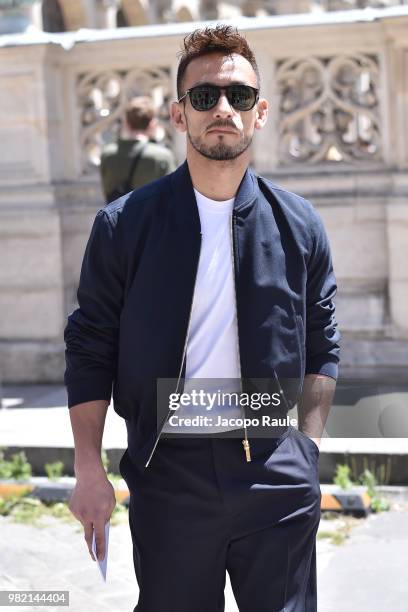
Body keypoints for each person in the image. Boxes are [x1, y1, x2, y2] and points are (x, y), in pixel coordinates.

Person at [65, 24, 341, 612]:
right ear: (178, 113)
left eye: (239, 96)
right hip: (170, 475)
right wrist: (89, 470)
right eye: (204, 96)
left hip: (275, 471)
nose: (223, 109)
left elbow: (323, 343)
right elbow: (89, 347)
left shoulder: (299, 225)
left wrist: (307, 454)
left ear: (260, 111)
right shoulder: (124, 226)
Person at [99, 96, 176, 203]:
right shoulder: (162, 156)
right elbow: (172, 196)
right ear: (152, 124)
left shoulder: (107, 154)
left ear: (126, 123)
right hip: (152, 219)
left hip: (118, 219)